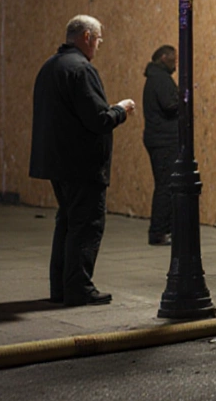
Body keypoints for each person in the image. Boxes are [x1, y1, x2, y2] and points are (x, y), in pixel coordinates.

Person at [29, 15, 136, 306]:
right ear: (87, 37)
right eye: (98, 39)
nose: (99, 45)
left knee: (66, 222)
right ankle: (78, 288)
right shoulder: (81, 69)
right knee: (86, 224)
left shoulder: (50, 67)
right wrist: (121, 110)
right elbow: (98, 120)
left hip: (57, 162)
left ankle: (61, 287)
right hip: (82, 163)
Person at [141, 45, 181, 246]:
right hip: (164, 140)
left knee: (165, 185)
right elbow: (170, 105)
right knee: (166, 186)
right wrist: (184, 98)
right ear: (164, 57)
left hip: (158, 139)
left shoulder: (154, 78)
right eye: (173, 59)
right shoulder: (161, 79)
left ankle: (164, 230)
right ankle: (159, 232)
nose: (176, 63)